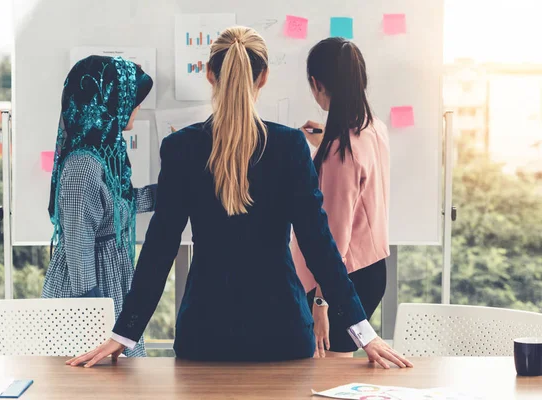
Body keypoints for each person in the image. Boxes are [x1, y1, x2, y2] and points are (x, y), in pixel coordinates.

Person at [67, 27, 411, 368]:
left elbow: (160, 246)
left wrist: (124, 333)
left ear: (209, 74)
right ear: (263, 77)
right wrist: (364, 332)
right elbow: (319, 244)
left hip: (205, 332)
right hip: (282, 332)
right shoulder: (290, 146)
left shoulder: (180, 148)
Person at [42, 55, 155, 357]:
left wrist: (171, 192)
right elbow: (79, 248)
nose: (137, 107)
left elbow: (117, 208)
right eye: (132, 99)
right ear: (109, 103)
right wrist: (93, 319)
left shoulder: (103, 156)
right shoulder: (83, 168)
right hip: (90, 291)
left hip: (108, 284)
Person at [291, 38, 391, 358]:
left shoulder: (339, 152)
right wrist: (323, 142)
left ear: (316, 84)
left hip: (340, 281)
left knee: (328, 377)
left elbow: (333, 236)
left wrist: (322, 302)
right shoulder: (374, 128)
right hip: (370, 269)